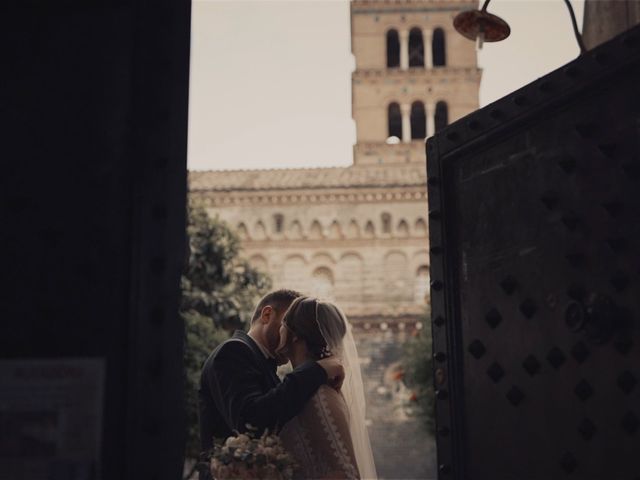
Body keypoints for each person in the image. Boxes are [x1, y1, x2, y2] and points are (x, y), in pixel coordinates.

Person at [197, 289, 345, 479]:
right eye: (287, 322)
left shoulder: (265, 368)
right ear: (267, 315)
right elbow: (251, 420)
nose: (290, 331)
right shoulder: (233, 350)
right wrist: (318, 369)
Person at [276, 296, 377, 480]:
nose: (279, 329)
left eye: (283, 322)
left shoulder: (320, 395)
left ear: (296, 335)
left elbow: (346, 473)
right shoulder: (308, 389)